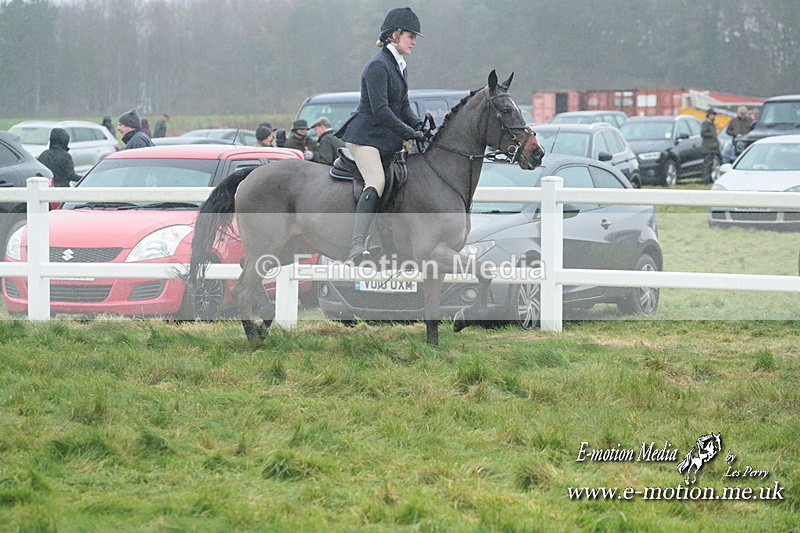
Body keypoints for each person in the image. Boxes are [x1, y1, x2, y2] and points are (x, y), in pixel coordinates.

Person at [335, 6, 426, 263]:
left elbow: (403, 106)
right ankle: (356, 246)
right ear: (396, 34)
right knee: (376, 180)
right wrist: (409, 133)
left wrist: (419, 126)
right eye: (411, 36)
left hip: (384, 138)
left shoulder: (399, 65)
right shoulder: (378, 66)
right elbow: (382, 111)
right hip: (365, 136)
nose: (415, 42)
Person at [701, 107, 720, 184]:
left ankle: (709, 179)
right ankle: (705, 180)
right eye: (712, 115)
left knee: (711, 164)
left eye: (714, 115)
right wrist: (711, 135)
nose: (713, 117)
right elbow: (703, 133)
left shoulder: (712, 124)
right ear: (708, 115)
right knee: (707, 164)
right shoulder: (705, 123)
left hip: (713, 147)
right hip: (707, 147)